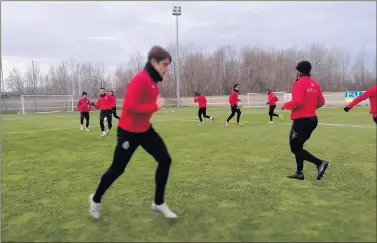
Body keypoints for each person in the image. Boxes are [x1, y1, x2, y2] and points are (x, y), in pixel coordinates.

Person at [88, 45, 177, 220]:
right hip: (128, 133)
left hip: (145, 130)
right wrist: (155, 106)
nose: (168, 69)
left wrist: (153, 107)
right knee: (117, 169)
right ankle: (95, 199)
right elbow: (130, 107)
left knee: (165, 160)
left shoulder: (152, 83)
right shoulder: (140, 79)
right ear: (154, 62)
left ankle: (158, 203)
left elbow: (143, 108)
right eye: (165, 64)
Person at [282, 61, 330, 181]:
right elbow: (321, 102)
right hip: (312, 120)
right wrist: (310, 109)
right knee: (299, 145)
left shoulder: (299, 83)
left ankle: (319, 163)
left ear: (299, 71)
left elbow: (297, 102)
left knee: (295, 147)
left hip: (301, 120)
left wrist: (285, 105)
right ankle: (299, 172)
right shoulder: (314, 84)